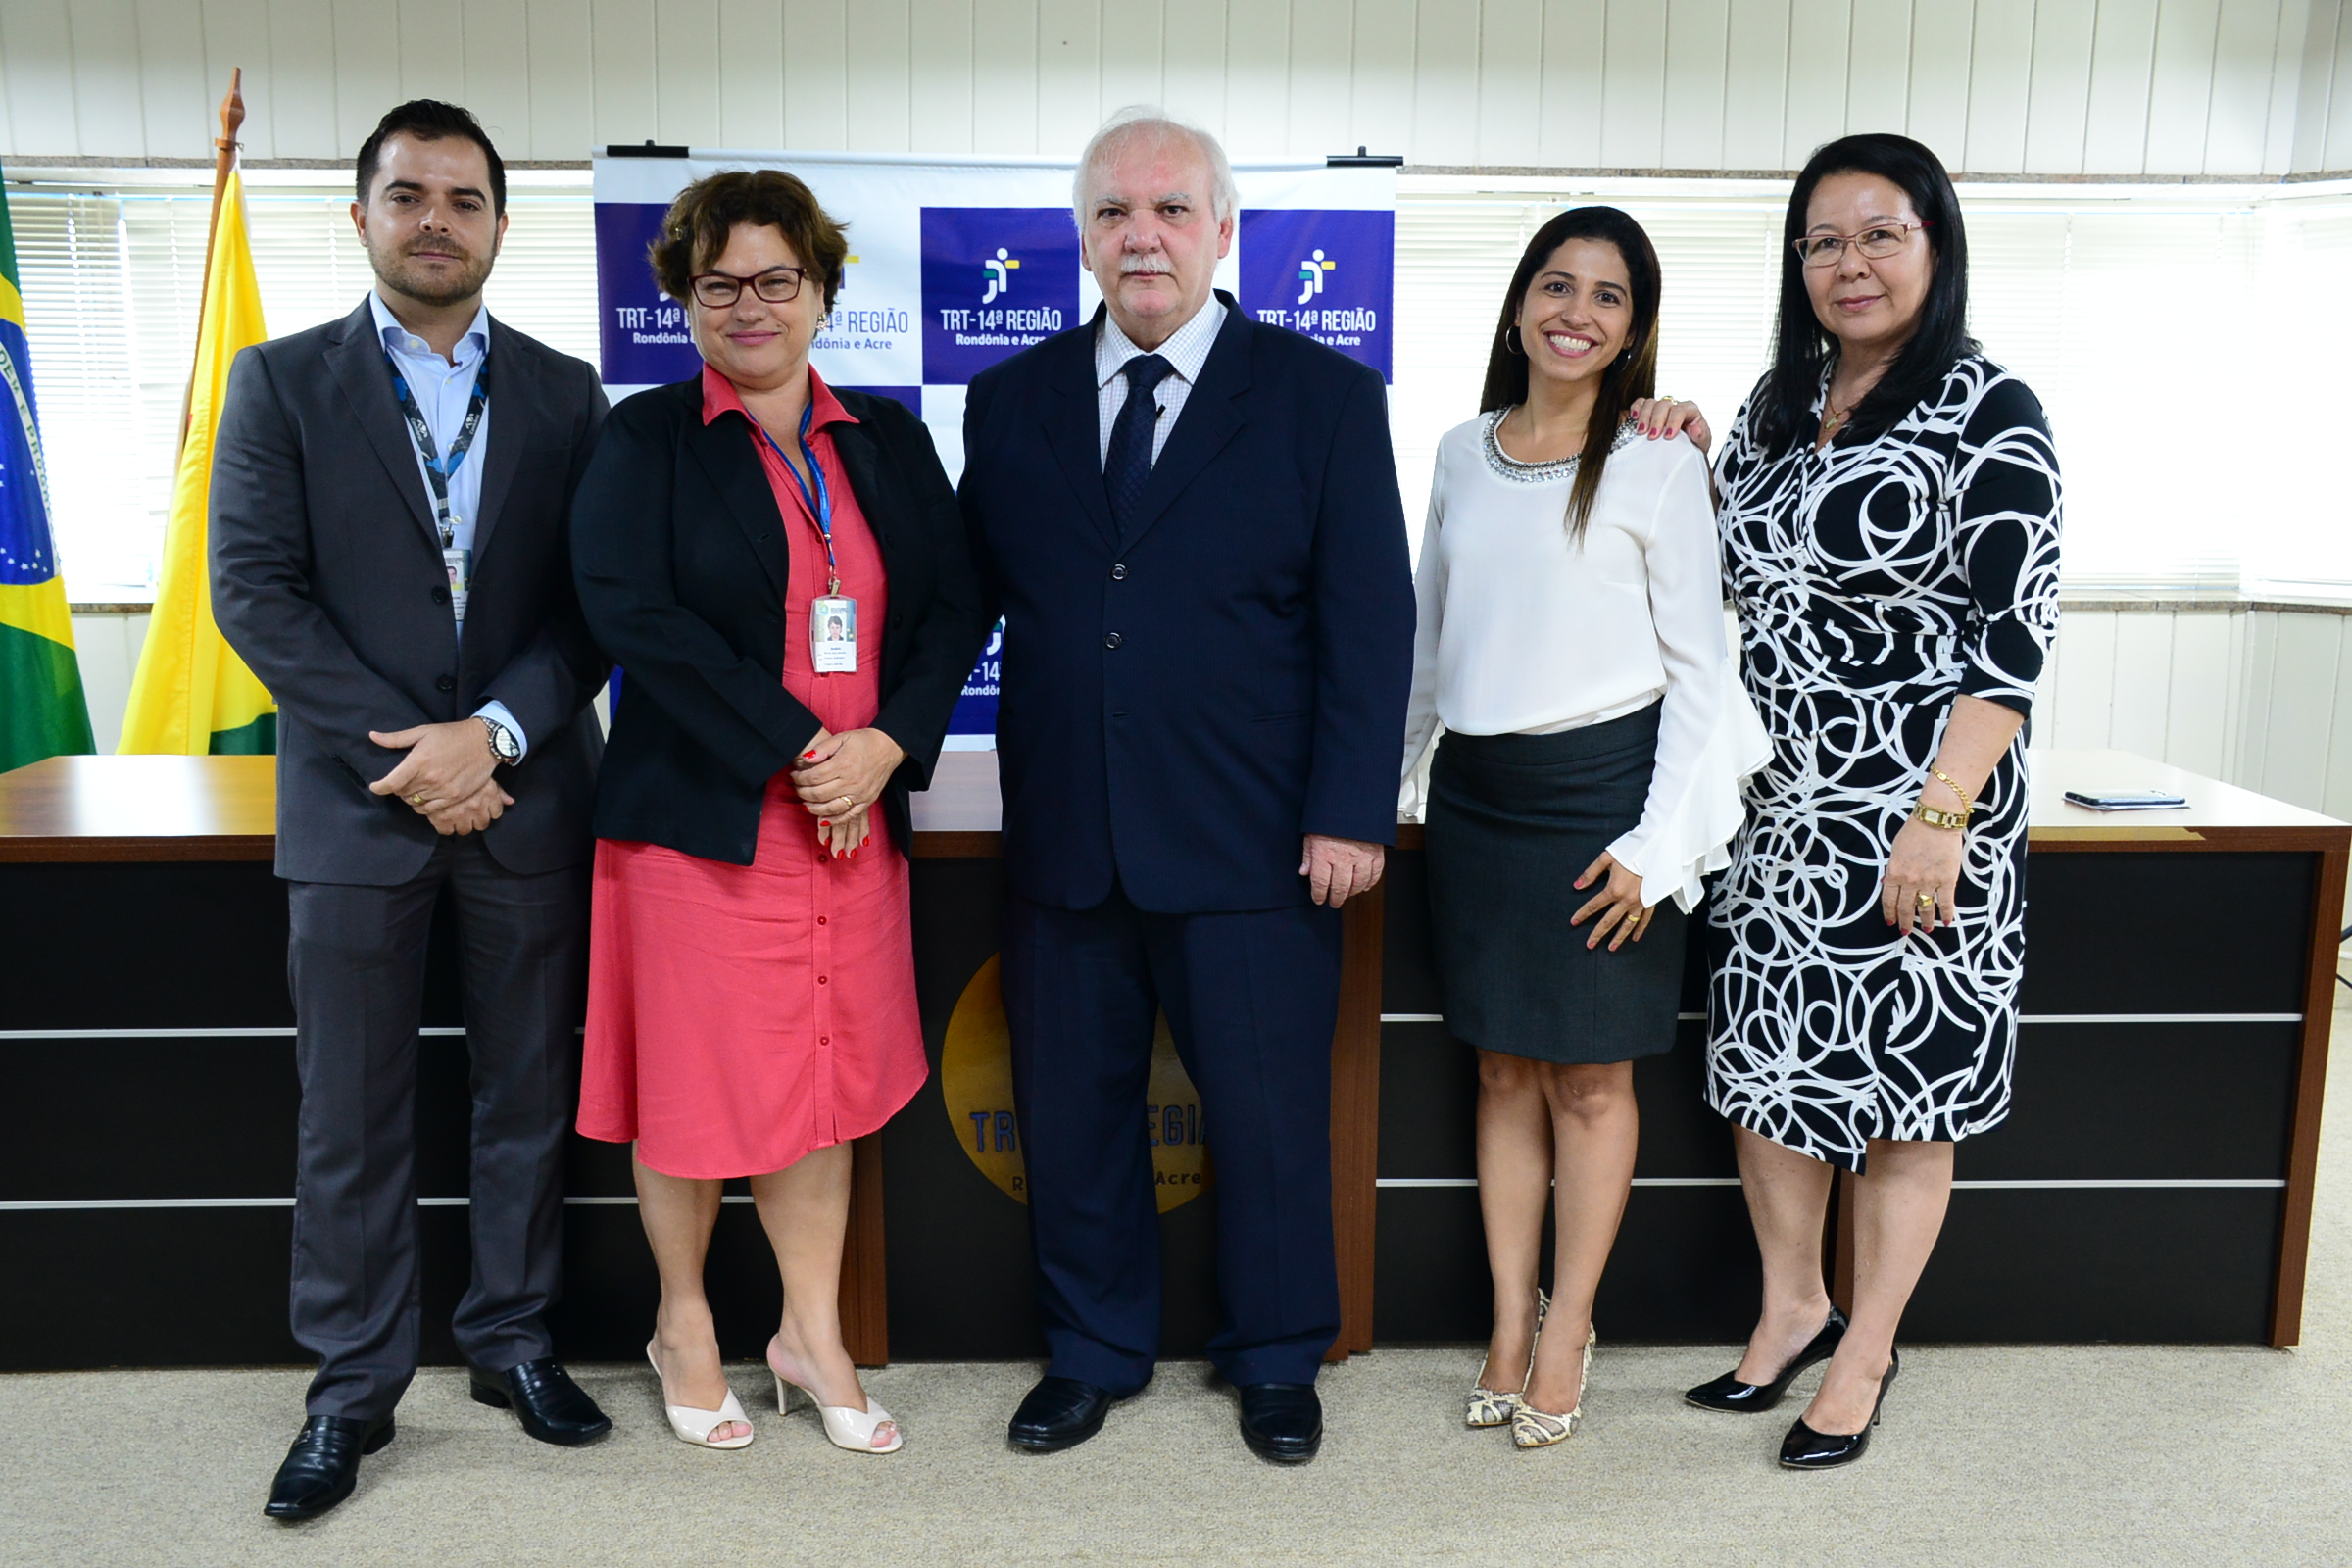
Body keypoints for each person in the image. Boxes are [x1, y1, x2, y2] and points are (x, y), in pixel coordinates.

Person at [959, 106, 1415, 1466]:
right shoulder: (1012, 400)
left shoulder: (1322, 398)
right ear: (1085, 238)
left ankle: (1277, 1358)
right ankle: (1092, 1351)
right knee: (1075, 1117)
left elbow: (1369, 618)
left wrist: (1348, 805)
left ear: (1222, 232)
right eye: (1113, 212)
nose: (1140, 234)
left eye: (1169, 209)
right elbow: (966, 604)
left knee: (1272, 1123)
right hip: (1066, 838)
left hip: (1257, 839)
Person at [211, 100, 614, 1522]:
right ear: (363, 215)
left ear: (503, 223)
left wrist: (492, 734)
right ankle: (350, 1391)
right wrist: (420, 754)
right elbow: (256, 594)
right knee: (352, 1118)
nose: (435, 219)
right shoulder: (278, 383)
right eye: (407, 195)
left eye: (463, 197)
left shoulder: (570, 396)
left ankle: (512, 1342)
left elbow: (591, 610)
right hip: (358, 805)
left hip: (528, 794)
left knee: (525, 1095)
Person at [570, 169, 986, 1455]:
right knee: (694, 1098)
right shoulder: (644, 441)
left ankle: (810, 1332)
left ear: (822, 293)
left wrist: (886, 743)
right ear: (682, 300)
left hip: (853, 828)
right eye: (720, 284)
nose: (751, 306)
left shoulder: (892, 440)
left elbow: (955, 606)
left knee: (824, 1089)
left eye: (777, 281)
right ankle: (685, 1321)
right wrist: (806, 747)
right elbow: (630, 612)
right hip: (702, 829)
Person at [1667, 133, 2061, 1469]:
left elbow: (2011, 646)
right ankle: (1790, 1308)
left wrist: (1942, 814)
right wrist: (1692, 451)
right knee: (1769, 1078)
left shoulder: (1991, 411)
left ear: (1935, 246)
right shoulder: (1782, 403)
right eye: (1825, 240)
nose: (1852, 264)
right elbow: (1737, 576)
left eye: (1881, 234)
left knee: (1904, 1094)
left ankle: (1868, 1350)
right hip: (1779, 813)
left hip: (1919, 821)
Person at [1400, 207, 1768, 1450]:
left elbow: (1703, 676)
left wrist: (1660, 852)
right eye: (1556, 285)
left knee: (1594, 1082)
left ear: (1635, 330)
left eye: (1608, 297)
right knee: (1502, 1067)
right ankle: (1511, 1317)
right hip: (1480, 806)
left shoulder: (1658, 460)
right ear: (1516, 306)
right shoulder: (1458, 450)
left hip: (1606, 800)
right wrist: (1403, 779)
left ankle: (1571, 1329)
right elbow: (1426, 637)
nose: (1577, 311)